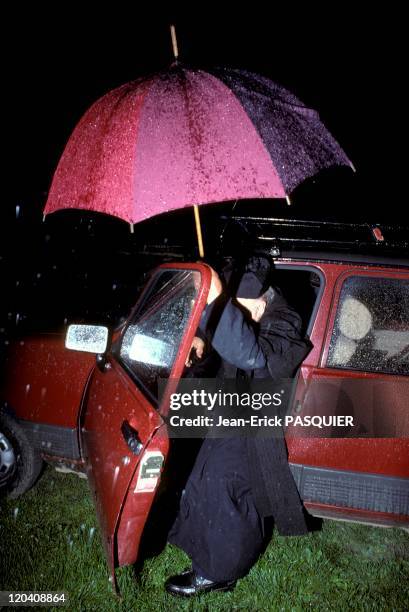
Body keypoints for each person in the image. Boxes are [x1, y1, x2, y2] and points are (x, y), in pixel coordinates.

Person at [165, 256, 312, 597]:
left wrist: (216, 304)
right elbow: (225, 340)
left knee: (224, 487)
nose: (236, 311)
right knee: (197, 475)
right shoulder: (250, 307)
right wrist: (201, 339)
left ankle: (218, 571)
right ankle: (199, 545)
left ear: (263, 299)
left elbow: (251, 356)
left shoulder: (285, 318)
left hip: (256, 424)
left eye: (239, 306)